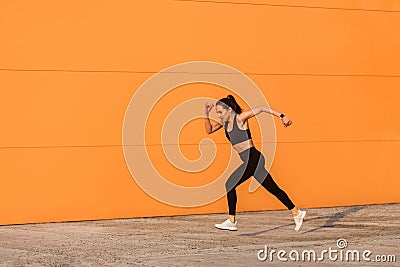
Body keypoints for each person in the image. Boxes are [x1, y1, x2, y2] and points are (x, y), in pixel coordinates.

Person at [204, 95, 306, 231]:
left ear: (229, 110)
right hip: (249, 160)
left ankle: (231, 220)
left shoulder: (240, 118)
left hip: (253, 157)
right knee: (273, 189)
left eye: (220, 112)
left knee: (230, 184)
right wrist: (206, 113)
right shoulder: (224, 123)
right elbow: (209, 130)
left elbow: (262, 108)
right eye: (217, 113)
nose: (219, 115)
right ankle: (296, 212)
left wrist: (282, 116)